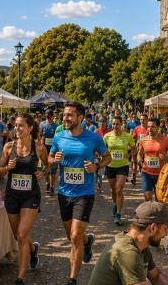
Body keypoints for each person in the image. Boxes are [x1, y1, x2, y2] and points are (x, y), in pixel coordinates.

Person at [49, 102, 112, 285]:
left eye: (70, 115)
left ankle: (72, 279)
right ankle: (87, 241)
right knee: (72, 236)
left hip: (84, 193)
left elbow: (107, 157)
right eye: (64, 115)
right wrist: (54, 159)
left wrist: (96, 166)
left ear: (80, 117)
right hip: (64, 193)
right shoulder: (59, 137)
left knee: (75, 235)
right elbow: (49, 158)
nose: (65, 118)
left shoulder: (93, 138)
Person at [0, 114, 49, 285]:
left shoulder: (39, 147)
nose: (16, 128)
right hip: (12, 195)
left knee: (21, 234)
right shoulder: (8, 147)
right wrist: (7, 168)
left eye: (21, 126)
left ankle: (20, 278)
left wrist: (43, 172)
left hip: (30, 195)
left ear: (30, 128)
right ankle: (33, 249)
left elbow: (47, 165)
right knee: (18, 236)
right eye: (16, 125)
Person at [88, 201, 168, 285]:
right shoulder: (128, 253)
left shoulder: (140, 244)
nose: (166, 234)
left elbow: (156, 276)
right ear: (153, 228)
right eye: (165, 229)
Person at [103, 116, 136, 225]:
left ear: (121, 124)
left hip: (123, 165)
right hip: (110, 166)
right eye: (113, 124)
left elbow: (134, 148)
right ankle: (116, 204)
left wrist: (129, 155)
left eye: (117, 124)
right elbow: (102, 149)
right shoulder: (107, 136)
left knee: (119, 189)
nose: (115, 126)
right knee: (113, 190)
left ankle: (118, 214)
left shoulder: (127, 136)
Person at [137, 117, 168, 201]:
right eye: (148, 127)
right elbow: (139, 153)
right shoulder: (143, 140)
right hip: (146, 172)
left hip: (161, 173)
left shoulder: (166, 140)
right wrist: (139, 159)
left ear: (158, 127)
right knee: (147, 197)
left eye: (152, 127)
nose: (150, 129)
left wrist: (166, 157)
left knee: (159, 199)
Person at [39, 112, 59, 195]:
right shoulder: (42, 124)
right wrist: (41, 141)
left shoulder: (56, 126)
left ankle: (51, 187)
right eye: (47, 116)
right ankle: (47, 183)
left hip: (53, 150)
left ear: (52, 116)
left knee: (53, 169)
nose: (48, 118)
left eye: (49, 116)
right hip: (44, 150)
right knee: (46, 168)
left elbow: (57, 138)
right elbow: (39, 135)